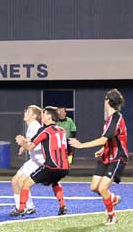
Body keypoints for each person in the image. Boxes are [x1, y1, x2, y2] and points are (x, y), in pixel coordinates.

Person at [70, 89, 127, 225]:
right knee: (94, 187)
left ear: (107, 100)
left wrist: (81, 145)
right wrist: (103, 149)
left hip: (117, 157)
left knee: (102, 189)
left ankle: (112, 216)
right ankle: (112, 198)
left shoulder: (116, 118)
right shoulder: (109, 119)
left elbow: (103, 139)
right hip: (107, 155)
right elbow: (110, 139)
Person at [14, 106, 69, 216]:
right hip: (64, 167)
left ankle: (21, 209)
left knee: (25, 184)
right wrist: (26, 140)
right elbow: (38, 138)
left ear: (49, 116)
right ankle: (63, 206)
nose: (42, 116)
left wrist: (21, 143)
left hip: (50, 166)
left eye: (44, 114)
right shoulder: (61, 130)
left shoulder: (44, 130)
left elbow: (31, 147)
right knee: (55, 182)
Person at [9, 105, 43, 216]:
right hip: (33, 160)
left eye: (28, 112)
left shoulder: (34, 126)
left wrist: (23, 143)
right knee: (15, 180)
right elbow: (32, 141)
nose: (25, 113)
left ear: (34, 116)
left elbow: (32, 144)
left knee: (21, 181)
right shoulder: (31, 126)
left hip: (39, 161)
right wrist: (24, 145)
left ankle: (23, 208)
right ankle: (25, 207)